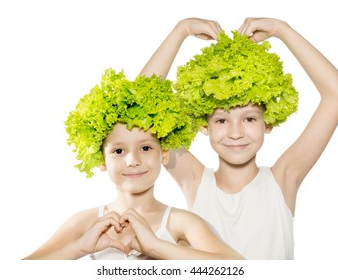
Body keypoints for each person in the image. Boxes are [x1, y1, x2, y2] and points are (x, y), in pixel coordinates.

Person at [140, 17, 338, 259]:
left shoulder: (284, 179)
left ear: (268, 122)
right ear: (204, 124)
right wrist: (180, 30)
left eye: (250, 119)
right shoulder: (194, 180)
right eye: (221, 120)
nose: (235, 132)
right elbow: (141, 107)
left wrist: (282, 30)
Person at [22, 68, 244, 260]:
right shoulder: (86, 221)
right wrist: (78, 248)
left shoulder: (180, 223)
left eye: (146, 148)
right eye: (118, 151)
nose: (133, 160)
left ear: (164, 153)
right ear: (101, 160)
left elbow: (240, 266)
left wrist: (157, 247)